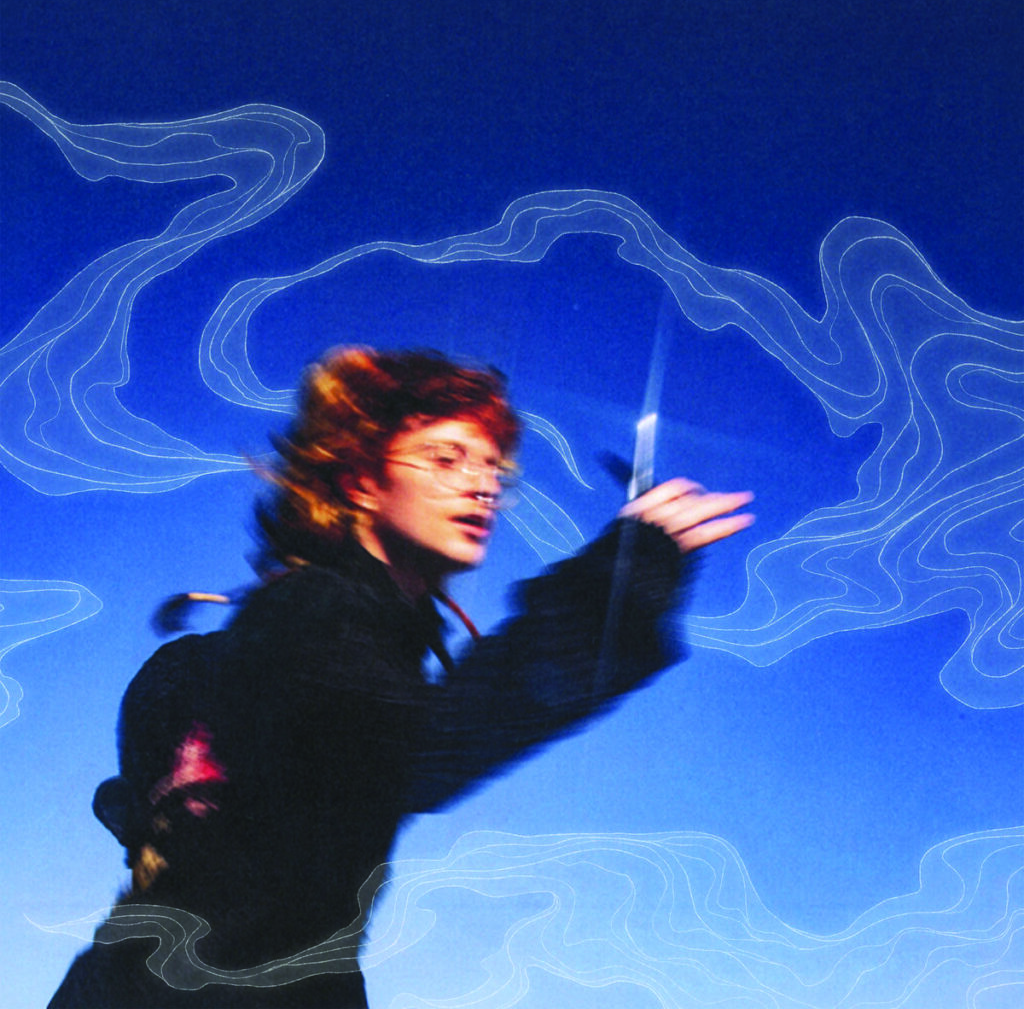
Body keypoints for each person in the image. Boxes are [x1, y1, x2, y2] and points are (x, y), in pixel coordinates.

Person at [49, 347, 753, 1008]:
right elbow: (423, 751)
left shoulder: (357, 631)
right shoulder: (312, 612)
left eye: (494, 468)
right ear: (360, 479)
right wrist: (620, 585)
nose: (482, 484)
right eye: (446, 458)